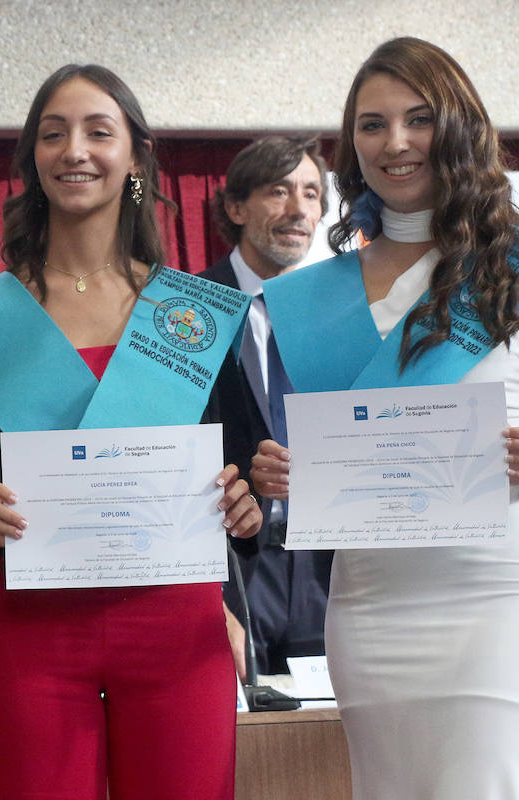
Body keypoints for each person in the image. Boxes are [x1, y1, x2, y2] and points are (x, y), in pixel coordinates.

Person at [0, 64, 261, 799]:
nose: (74, 151)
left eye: (98, 131)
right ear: (31, 161)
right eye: (51, 135)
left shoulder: (195, 312)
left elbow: (243, 464)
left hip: (177, 630)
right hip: (28, 634)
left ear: (135, 157)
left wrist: (248, 507)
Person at [252, 36, 519, 799]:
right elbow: (337, 452)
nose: (396, 142)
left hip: (498, 599)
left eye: (418, 118)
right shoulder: (311, 295)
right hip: (369, 605)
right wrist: (280, 470)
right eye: (372, 124)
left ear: (460, 127)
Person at [202, 135, 333, 678]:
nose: (299, 209)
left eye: (310, 193)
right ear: (236, 207)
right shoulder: (187, 309)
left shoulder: (342, 313)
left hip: (329, 563)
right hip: (235, 564)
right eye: (279, 191)